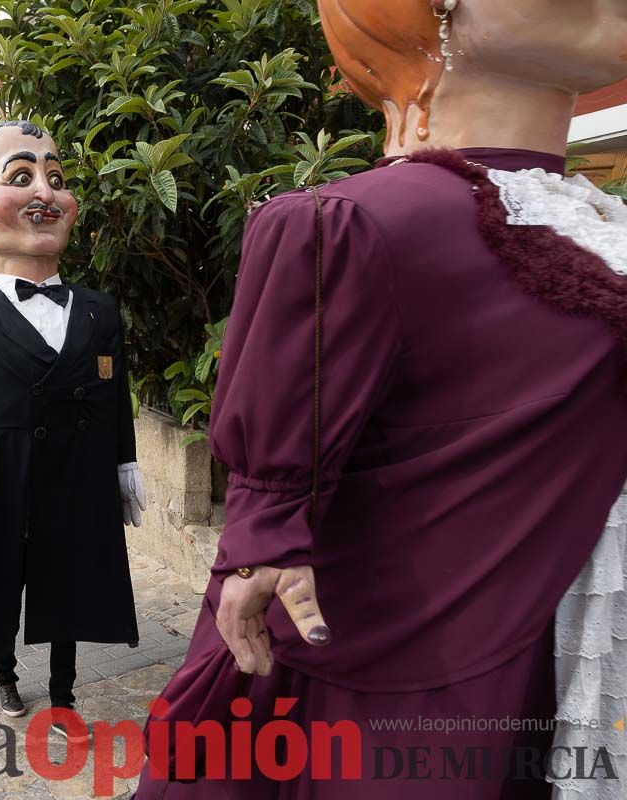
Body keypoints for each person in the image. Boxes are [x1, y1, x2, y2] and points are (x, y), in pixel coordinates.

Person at [132, 2, 627, 798]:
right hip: (430, 693)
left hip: (579, 660)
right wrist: (261, 540)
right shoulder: (354, 225)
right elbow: (275, 483)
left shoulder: (600, 223)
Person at [0, 120, 148, 734]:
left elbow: (113, 394)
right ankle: (6, 673)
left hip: (76, 482)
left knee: (68, 586)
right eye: (20, 176)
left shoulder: (99, 311)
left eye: (57, 179)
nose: (46, 192)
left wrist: (125, 462)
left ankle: (64, 689)